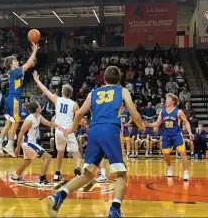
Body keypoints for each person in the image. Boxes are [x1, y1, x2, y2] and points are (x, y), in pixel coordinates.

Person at [47, 66, 144, 218]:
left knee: (88, 174)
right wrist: (141, 126)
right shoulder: (122, 91)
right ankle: (115, 210)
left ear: (103, 79)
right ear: (119, 80)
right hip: (110, 131)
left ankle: (59, 196)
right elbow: (133, 111)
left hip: (94, 132)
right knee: (121, 175)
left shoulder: (94, 93)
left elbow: (79, 113)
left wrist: (72, 128)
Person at [32, 71, 83, 181]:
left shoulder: (57, 99)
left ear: (63, 92)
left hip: (58, 131)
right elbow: (79, 119)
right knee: (76, 153)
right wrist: (85, 124)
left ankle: (57, 173)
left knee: (60, 153)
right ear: (70, 93)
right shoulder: (74, 104)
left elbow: (45, 90)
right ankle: (78, 169)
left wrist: (37, 80)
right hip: (68, 130)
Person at [0, 42, 39, 157]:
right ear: (11, 65)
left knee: (8, 123)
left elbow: (29, 64)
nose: (17, 62)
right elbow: (28, 64)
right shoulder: (15, 71)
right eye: (15, 61)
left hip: (10, 98)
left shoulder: (13, 72)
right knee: (16, 122)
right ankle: (9, 145)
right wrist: (34, 51)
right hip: (14, 98)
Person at [146, 93, 193, 179]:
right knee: (165, 153)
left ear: (173, 101)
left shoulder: (178, 111)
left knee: (182, 152)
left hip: (176, 134)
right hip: (166, 135)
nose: (166, 100)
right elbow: (157, 123)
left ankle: (186, 172)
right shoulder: (162, 112)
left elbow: (186, 122)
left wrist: (190, 132)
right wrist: (147, 124)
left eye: (168, 99)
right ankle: (170, 167)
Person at [12, 101, 61, 185]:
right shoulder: (29, 120)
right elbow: (21, 133)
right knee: (47, 157)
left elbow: (48, 123)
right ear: (37, 109)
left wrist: (60, 126)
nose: (40, 106)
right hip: (28, 143)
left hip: (31, 142)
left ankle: (15, 176)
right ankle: (42, 179)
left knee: (27, 161)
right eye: (39, 105)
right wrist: (17, 147)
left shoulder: (38, 116)